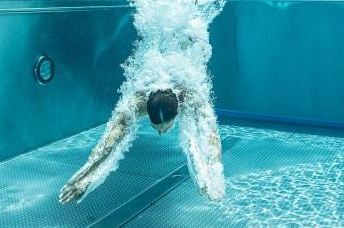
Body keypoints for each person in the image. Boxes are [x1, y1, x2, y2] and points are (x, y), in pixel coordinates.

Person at [58, 81, 225, 203]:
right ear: (146, 110)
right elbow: (106, 145)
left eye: (165, 128)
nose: (160, 133)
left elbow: (211, 138)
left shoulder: (192, 100)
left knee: (198, 131)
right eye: (156, 127)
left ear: (177, 112)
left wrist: (214, 179)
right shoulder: (134, 105)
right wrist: (83, 178)